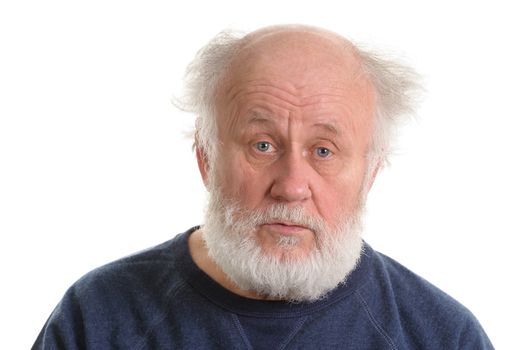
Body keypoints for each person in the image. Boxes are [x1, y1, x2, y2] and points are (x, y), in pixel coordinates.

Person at [33, 24, 494, 349]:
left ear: (370, 173)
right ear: (206, 158)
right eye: (263, 144)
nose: (292, 187)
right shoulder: (98, 318)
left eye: (324, 151)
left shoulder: (442, 336)